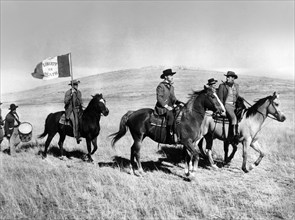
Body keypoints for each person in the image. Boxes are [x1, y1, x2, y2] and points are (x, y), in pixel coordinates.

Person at [155, 69, 183, 142]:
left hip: (171, 107)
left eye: (172, 76)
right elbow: (159, 98)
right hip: (162, 108)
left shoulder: (171, 87)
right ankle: (169, 135)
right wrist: (166, 106)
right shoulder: (161, 86)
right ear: (166, 77)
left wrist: (179, 102)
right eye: (170, 76)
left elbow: (173, 98)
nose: (172, 77)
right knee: (171, 116)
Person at [217, 71, 241, 144]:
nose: (227, 78)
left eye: (229, 76)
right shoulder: (222, 86)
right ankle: (234, 136)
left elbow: (237, 96)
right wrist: (222, 108)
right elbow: (220, 98)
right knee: (234, 118)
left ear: (233, 78)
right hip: (227, 105)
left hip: (235, 105)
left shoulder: (236, 86)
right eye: (227, 76)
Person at [64, 79, 83, 144]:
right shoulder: (68, 92)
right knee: (75, 120)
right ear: (72, 86)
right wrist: (71, 96)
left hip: (78, 109)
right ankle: (77, 136)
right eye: (75, 84)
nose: (76, 86)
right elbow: (65, 102)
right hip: (70, 110)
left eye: (77, 84)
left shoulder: (79, 92)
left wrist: (81, 104)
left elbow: (80, 101)